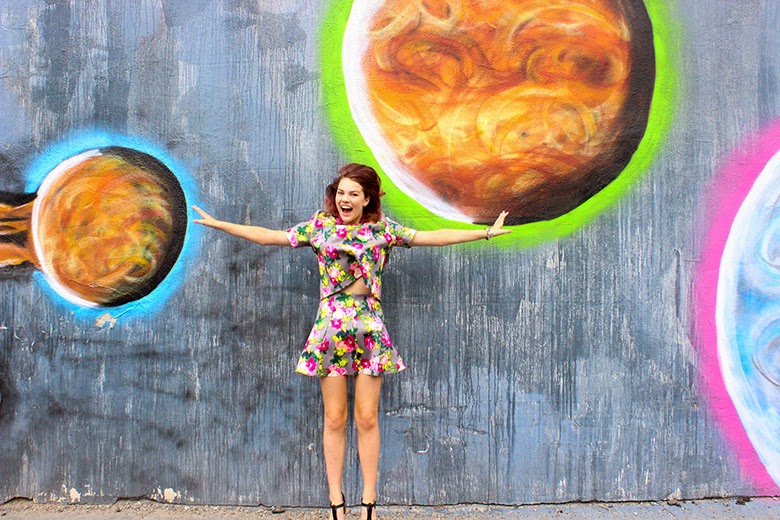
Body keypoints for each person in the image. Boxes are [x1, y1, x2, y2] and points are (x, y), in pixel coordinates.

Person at [192, 163, 510, 520]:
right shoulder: (320, 227)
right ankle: (336, 504)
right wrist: (221, 224)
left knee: (367, 417)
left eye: (353, 194)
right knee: (334, 418)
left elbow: (431, 237)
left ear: (367, 198)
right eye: (340, 192)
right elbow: (269, 236)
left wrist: (485, 233)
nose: (345, 199)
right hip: (330, 330)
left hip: (369, 329)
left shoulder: (383, 230)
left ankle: (369, 504)